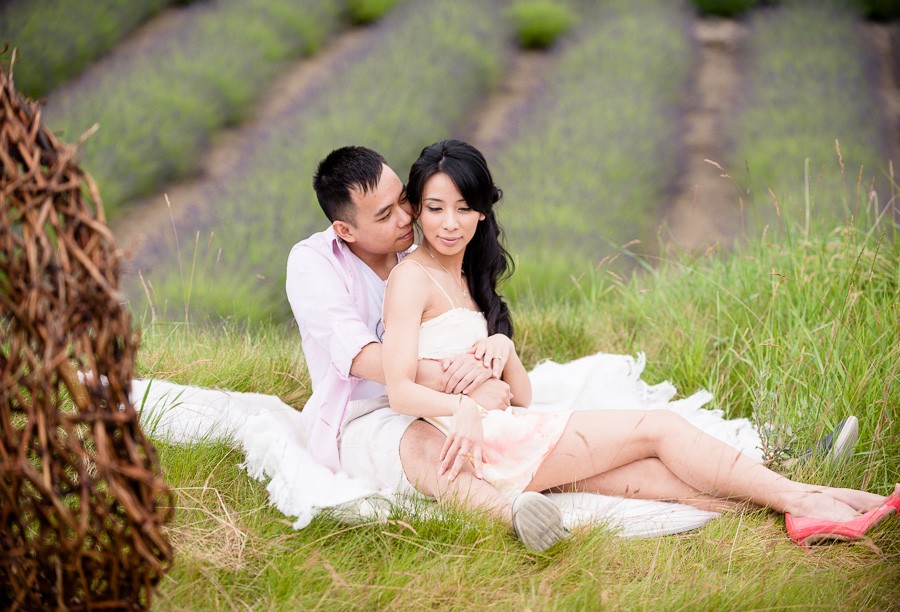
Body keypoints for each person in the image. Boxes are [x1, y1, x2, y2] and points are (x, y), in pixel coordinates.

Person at [379, 138, 899, 549]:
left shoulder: (468, 278)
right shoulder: (412, 279)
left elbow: (524, 396)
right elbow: (399, 390)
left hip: (500, 432)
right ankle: (802, 495)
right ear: (418, 213)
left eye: (463, 208)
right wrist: (463, 407)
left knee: (660, 479)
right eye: (435, 208)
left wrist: (506, 351)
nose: (450, 223)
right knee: (659, 427)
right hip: (476, 443)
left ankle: (833, 502)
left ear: (482, 213)